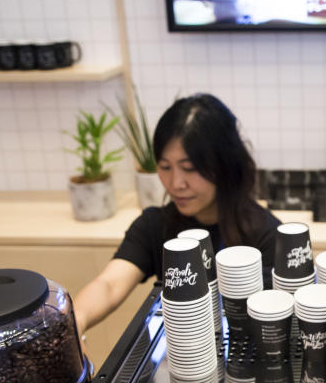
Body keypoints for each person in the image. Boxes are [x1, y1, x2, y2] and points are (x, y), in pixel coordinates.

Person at [74, 93, 281, 336]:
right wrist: (76, 322)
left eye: (189, 169)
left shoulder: (266, 235)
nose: (175, 183)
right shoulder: (154, 225)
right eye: (164, 167)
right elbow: (108, 285)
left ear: (226, 166)